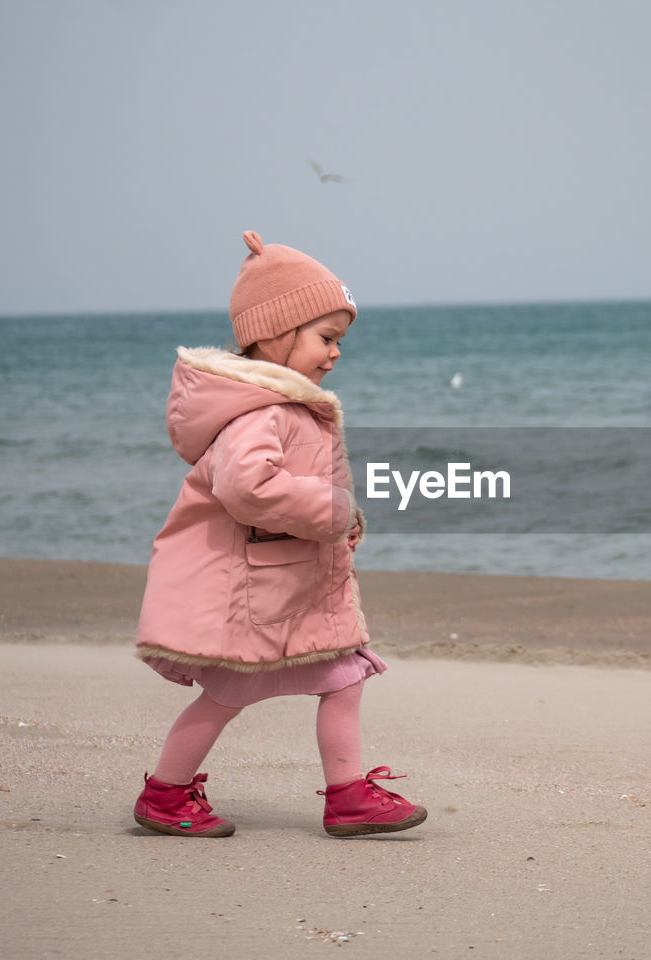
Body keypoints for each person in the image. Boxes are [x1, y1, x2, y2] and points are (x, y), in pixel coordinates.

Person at [131, 230, 426, 839]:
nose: (335, 353)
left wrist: (340, 519)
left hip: (292, 591)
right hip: (261, 602)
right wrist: (334, 511)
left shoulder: (282, 407)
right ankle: (165, 794)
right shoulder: (261, 412)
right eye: (325, 338)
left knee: (343, 677)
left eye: (339, 340)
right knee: (226, 693)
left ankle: (347, 796)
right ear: (273, 336)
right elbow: (250, 489)